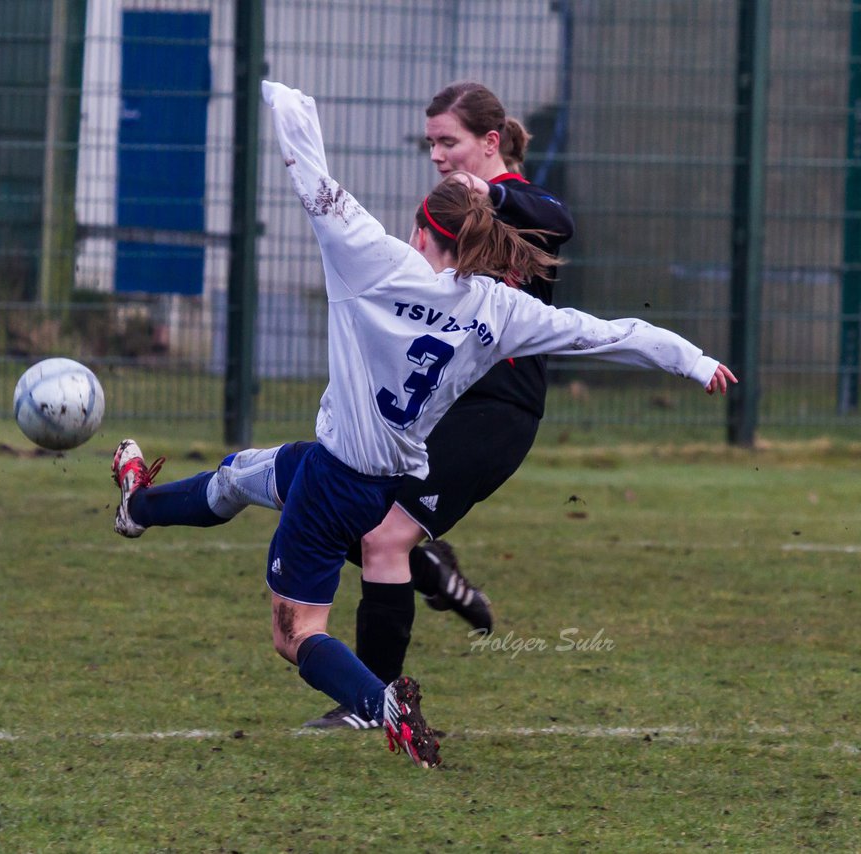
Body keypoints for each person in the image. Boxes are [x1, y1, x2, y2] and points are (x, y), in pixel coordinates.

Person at [111, 79, 735, 768]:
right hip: (376, 478)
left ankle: (379, 703)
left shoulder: (374, 266)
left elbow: (313, 180)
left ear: (418, 230)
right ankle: (138, 504)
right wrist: (692, 359)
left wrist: (284, 98)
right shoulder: (500, 310)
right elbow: (607, 335)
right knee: (237, 477)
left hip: (337, 476)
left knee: (296, 634)